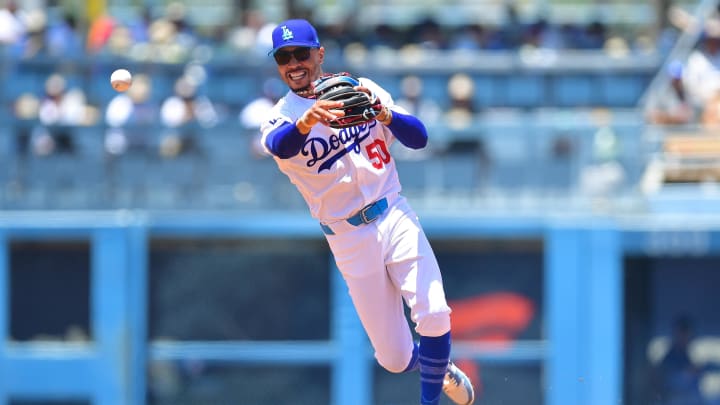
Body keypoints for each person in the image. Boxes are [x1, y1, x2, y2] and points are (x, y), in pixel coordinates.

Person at [259, 19, 475, 405]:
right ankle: (437, 367)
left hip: (393, 211)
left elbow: (419, 137)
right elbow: (280, 145)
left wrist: (384, 113)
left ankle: (430, 399)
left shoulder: (359, 89)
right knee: (393, 358)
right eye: (283, 57)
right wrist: (306, 121)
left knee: (434, 311)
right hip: (348, 237)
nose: (293, 63)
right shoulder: (282, 115)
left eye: (301, 53)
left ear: (319, 53)